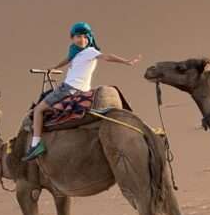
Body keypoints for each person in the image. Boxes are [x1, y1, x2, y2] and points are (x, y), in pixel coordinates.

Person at [23, 22, 141, 160]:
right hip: (73, 88)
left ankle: (36, 144)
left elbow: (107, 57)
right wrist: (54, 67)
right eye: (79, 36)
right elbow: (67, 59)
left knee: (38, 110)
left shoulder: (89, 52)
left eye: (85, 37)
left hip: (69, 89)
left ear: (89, 38)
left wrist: (126, 61)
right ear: (72, 38)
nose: (82, 40)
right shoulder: (75, 52)